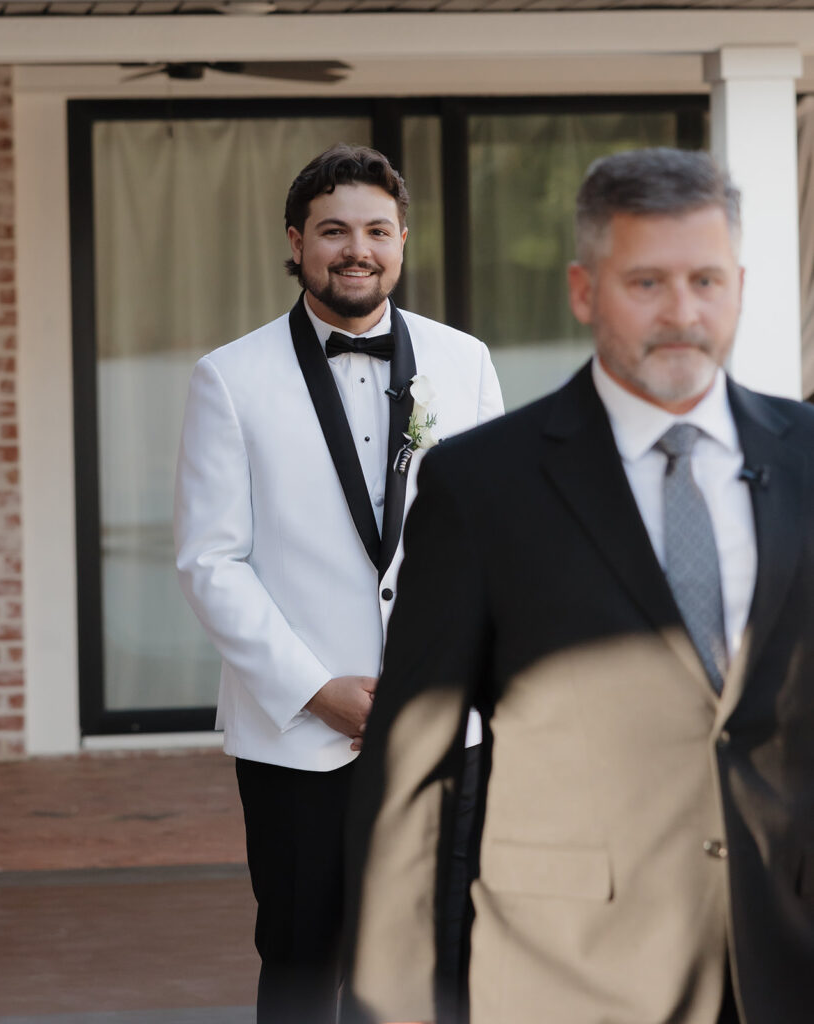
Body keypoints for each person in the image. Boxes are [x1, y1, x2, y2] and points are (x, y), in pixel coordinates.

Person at [341, 148, 814, 1024]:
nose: (683, 312)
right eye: (646, 283)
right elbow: (412, 777)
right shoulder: (481, 488)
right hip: (571, 980)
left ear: (740, 285)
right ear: (583, 290)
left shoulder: (808, 457)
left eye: (706, 280)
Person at [173, 143, 503, 1024]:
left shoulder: (463, 363)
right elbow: (210, 559)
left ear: (401, 242)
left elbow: (493, 542)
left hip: (438, 725)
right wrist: (318, 690)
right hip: (296, 733)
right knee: (298, 954)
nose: (355, 249)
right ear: (295, 241)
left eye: (375, 230)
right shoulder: (230, 378)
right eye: (332, 231)